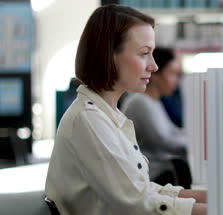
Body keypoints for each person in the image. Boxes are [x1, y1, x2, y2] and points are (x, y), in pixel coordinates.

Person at [45, 5, 207, 215]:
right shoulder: (88, 121)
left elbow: (140, 191)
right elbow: (138, 206)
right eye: (144, 54)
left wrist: (201, 197)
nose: (154, 66)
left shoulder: (107, 115)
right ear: (109, 55)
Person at [121, 47, 192, 189]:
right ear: (155, 74)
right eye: (172, 73)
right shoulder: (141, 102)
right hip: (151, 176)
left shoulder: (154, 101)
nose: (176, 81)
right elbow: (164, 141)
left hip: (160, 172)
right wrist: (194, 143)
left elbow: (173, 132)